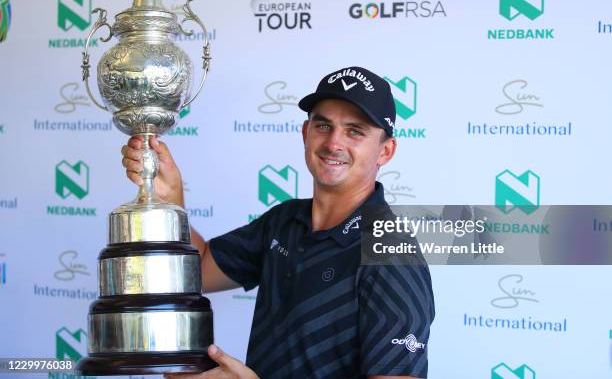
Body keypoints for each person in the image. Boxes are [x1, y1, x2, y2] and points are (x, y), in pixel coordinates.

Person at [121, 67, 435, 379]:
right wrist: (170, 198)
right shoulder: (284, 221)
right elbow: (198, 269)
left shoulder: (392, 255)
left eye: (355, 131)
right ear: (305, 133)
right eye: (323, 126)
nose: (333, 142)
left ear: (386, 151)